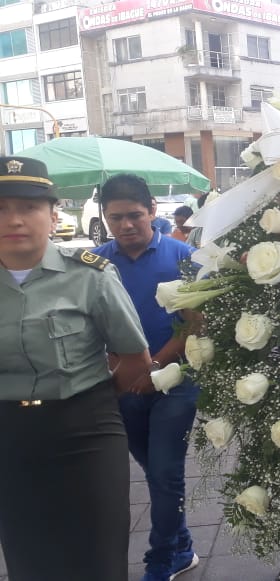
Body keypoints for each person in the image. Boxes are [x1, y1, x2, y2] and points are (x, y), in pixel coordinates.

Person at [0, 157, 152, 581]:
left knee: (98, 552)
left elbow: (134, 360)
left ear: (53, 215)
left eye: (29, 207)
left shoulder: (91, 276)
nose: (14, 219)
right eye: (1, 208)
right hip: (8, 432)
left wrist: (90, 399)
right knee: (27, 553)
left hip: (86, 429)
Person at [93, 174, 201, 581]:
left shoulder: (183, 256)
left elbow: (197, 323)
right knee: (155, 473)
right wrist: (122, 369)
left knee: (165, 472)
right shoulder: (94, 263)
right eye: (115, 218)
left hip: (176, 381)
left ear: (152, 210)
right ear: (105, 218)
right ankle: (183, 547)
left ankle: (160, 560)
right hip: (123, 387)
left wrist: (153, 366)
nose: (125, 226)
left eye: (134, 215)